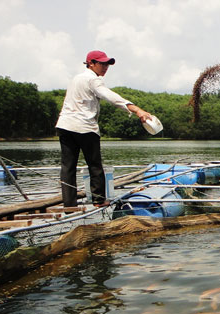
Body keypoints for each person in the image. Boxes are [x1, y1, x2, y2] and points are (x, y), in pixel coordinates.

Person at [56, 50, 152, 208]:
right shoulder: (93, 80)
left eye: (107, 64)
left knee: (68, 166)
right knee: (94, 164)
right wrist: (137, 110)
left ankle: (69, 203)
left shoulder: (76, 78)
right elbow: (111, 97)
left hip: (65, 125)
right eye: (102, 63)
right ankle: (99, 200)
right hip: (85, 127)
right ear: (91, 63)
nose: (105, 67)